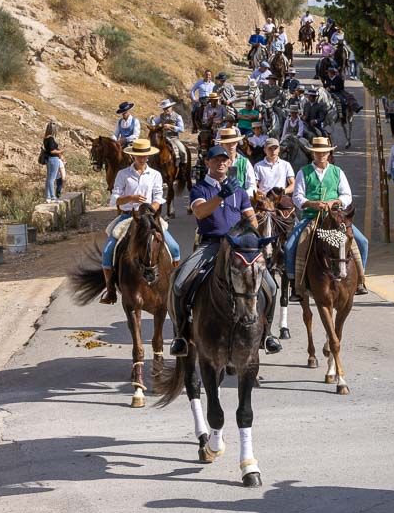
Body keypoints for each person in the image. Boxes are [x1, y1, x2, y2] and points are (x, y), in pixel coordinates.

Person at [168, 145, 281, 357]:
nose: (221, 163)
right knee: (180, 282)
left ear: (229, 163)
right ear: (207, 163)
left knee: (272, 286)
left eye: (224, 160)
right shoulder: (200, 188)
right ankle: (181, 335)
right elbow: (200, 212)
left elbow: (250, 217)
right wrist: (220, 196)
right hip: (211, 244)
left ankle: (267, 333)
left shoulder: (238, 191)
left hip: (238, 247)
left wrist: (253, 238)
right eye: (215, 160)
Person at [99, 138, 181, 305]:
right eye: (138, 156)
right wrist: (130, 198)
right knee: (108, 251)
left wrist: (150, 208)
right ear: (133, 156)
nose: (141, 158)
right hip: (128, 216)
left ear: (148, 156)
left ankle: (174, 285)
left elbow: (159, 197)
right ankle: (110, 289)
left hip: (149, 216)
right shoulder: (123, 174)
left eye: (144, 156)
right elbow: (114, 198)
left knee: (174, 247)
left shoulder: (155, 175)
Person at [285, 136, 370, 297]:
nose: (321, 155)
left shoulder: (337, 172)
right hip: (311, 217)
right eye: (317, 152)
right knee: (290, 246)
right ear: (312, 154)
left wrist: (335, 202)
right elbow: (297, 197)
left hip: (335, 218)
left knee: (362, 242)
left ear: (328, 153)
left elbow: (347, 195)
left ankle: (360, 280)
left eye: (324, 152)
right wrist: (312, 204)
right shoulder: (304, 172)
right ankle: (296, 285)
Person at [216, 127, 257, 201]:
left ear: (237, 143)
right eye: (227, 143)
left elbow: (252, 185)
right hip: (220, 200)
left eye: (233, 143)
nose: (231, 146)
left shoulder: (245, 162)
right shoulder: (215, 163)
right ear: (222, 144)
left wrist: (242, 196)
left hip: (241, 201)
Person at [41, 121, 64, 202]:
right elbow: (52, 151)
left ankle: (47, 196)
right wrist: (61, 151)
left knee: (48, 178)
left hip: (48, 159)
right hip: (53, 159)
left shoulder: (45, 138)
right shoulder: (51, 138)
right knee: (52, 179)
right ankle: (53, 197)